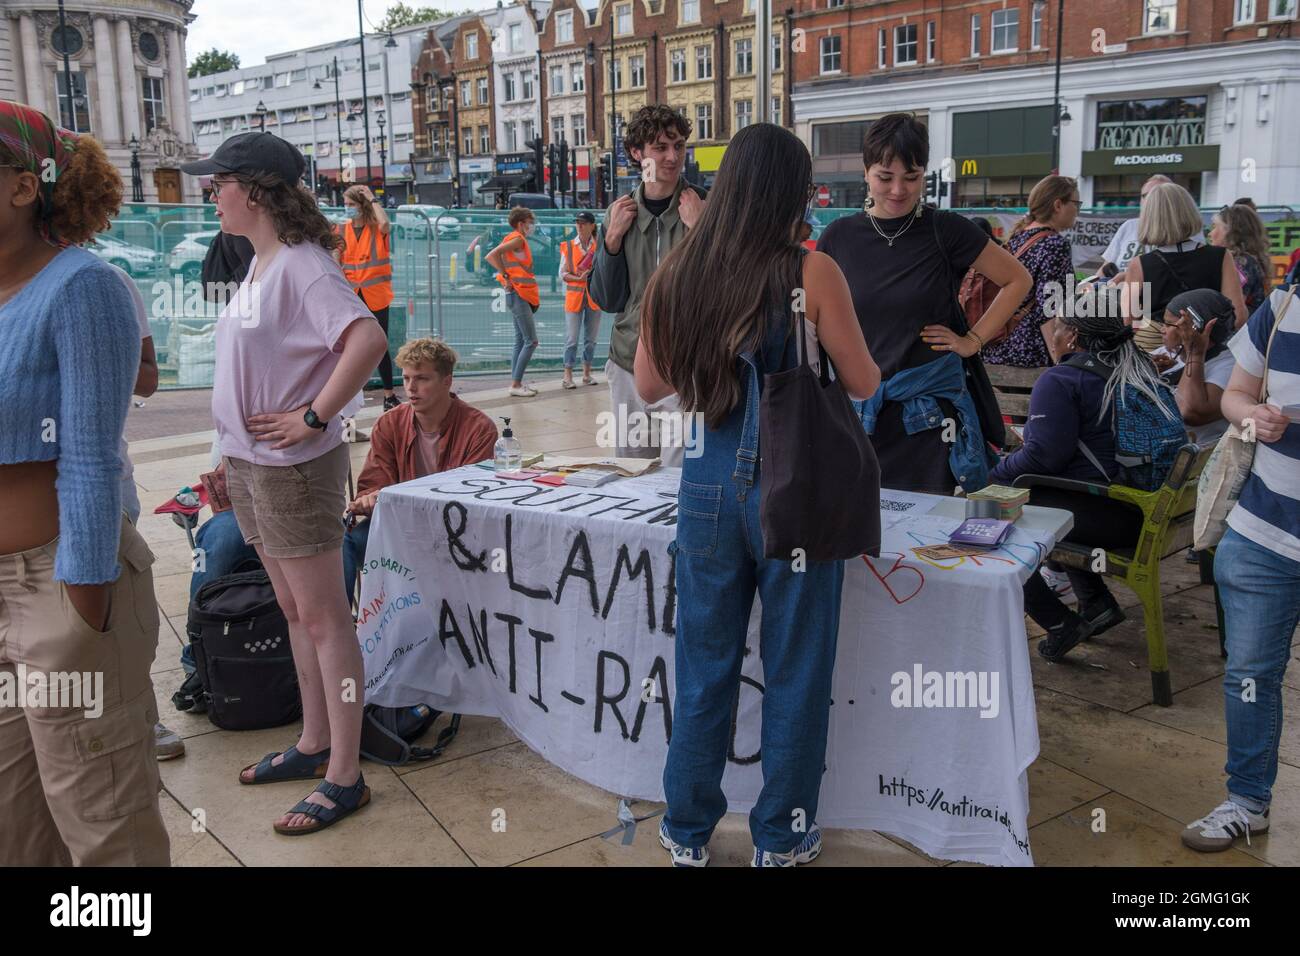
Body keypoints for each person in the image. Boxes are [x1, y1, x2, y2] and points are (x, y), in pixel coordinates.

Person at [635, 122, 880, 867]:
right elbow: (866, 381)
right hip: (794, 486)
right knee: (797, 671)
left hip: (705, 483)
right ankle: (782, 836)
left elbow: (648, 387)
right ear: (793, 193)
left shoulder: (679, 270)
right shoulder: (812, 273)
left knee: (703, 667)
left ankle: (685, 832)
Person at [181, 131, 389, 835]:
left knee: (327, 618)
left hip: (294, 471)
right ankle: (314, 741)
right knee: (297, 613)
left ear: (257, 190)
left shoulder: (302, 265)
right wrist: (225, 449)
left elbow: (365, 339)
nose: (211, 194)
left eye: (220, 184)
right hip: (252, 466)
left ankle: (345, 774)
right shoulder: (261, 262)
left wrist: (312, 417)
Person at [0, 100, 170, 865]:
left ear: (21, 186)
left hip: (61, 584)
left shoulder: (80, 287)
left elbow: (93, 455)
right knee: (15, 822)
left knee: (102, 821)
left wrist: (84, 604)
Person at [816, 112, 1032, 494]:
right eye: (885, 177)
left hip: (929, 421)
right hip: (858, 415)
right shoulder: (838, 236)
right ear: (866, 173)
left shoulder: (945, 229)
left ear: (925, 175)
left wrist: (973, 341)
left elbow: (1018, 279)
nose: (898, 189)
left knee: (927, 540)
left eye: (912, 177)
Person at [991, 301, 1181, 662]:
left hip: (1115, 516)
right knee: (1054, 496)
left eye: (1057, 326)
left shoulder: (1061, 379)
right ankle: (1096, 603)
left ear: (1073, 336)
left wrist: (990, 477)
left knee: (994, 513)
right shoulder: (1139, 370)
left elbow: (1042, 458)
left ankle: (1059, 622)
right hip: (1149, 511)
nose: (1051, 333)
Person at [1183, 284, 1300, 852]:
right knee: (1249, 673)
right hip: (1264, 530)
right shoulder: (1282, 306)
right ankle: (1247, 801)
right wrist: (1252, 413)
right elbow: (1233, 395)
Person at [590, 104, 708, 466]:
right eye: (660, 147)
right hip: (627, 361)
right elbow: (607, 300)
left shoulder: (704, 206)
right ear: (636, 153)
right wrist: (610, 242)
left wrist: (699, 232)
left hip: (687, 366)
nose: (673, 157)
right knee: (631, 471)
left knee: (685, 473)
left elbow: (721, 290)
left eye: (679, 146)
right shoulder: (618, 211)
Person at [342, 338, 497, 595]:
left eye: (422, 379)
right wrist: (369, 499)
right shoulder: (389, 424)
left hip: (451, 535)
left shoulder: (478, 428)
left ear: (447, 381)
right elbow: (373, 481)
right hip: (398, 527)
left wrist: (398, 499)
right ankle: (339, 630)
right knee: (341, 543)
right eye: (406, 379)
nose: (411, 388)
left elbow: (472, 503)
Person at [1121, 183, 1246, 353]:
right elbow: (1238, 316)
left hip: (1157, 357)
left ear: (1149, 218)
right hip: (1208, 354)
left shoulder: (1140, 264)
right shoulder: (1221, 256)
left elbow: (1130, 322)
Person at [980, 176, 1080, 369]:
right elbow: (1049, 309)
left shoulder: (1016, 239)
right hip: (1031, 354)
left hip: (996, 347)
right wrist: (1060, 362)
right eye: (1076, 203)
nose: (1077, 210)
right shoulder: (1054, 245)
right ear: (1058, 205)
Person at [335, 185, 398, 411]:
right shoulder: (341, 230)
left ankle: (389, 396)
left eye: (351, 204)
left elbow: (385, 223)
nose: (347, 208)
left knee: (380, 346)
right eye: (346, 204)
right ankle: (347, 401)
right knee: (350, 348)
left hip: (376, 295)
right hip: (351, 296)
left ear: (362, 206)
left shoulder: (376, 228)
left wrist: (372, 198)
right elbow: (335, 260)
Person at [1157, 289, 1238, 448]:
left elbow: (1188, 412)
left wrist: (1195, 353)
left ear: (1196, 329)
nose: (1162, 330)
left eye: (1169, 324)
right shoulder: (1167, 353)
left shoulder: (1230, 366)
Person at [485, 206, 541, 397]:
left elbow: (497, 256)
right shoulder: (517, 239)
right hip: (519, 294)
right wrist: (506, 276)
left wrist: (506, 276)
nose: (531, 226)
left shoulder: (512, 238)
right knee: (531, 341)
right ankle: (516, 385)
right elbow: (491, 255)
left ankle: (515, 383)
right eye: (529, 222)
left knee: (520, 341)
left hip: (515, 294)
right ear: (521, 223)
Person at [1098, 174, 1187, 276]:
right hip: (1118, 290)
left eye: (1158, 195)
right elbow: (1105, 268)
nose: (1151, 200)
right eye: (1146, 195)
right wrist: (1087, 289)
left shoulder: (1185, 230)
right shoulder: (1129, 226)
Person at [558, 211, 602, 389]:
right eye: (577, 223)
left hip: (594, 298)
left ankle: (586, 374)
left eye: (583, 223)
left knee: (591, 339)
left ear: (592, 226)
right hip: (574, 297)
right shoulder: (568, 246)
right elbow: (562, 273)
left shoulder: (599, 246)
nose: (579, 226)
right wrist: (578, 278)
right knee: (572, 339)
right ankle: (567, 376)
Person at [1209, 203, 1272, 315]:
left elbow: (1233, 311)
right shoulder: (1247, 260)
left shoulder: (1242, 263)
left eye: (1215, 226)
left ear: (1230, 231)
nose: (1210, 234)